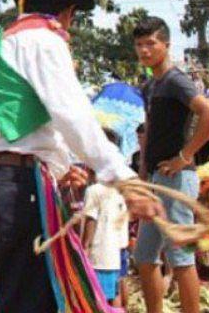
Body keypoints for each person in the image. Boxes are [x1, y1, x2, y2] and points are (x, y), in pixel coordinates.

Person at [0, 0, 159, 313]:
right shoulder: (43, 42)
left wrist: (60, 165)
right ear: (66, 11)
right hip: (20, 185)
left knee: (13, 291)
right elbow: (72, 114)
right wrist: (124, 179)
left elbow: (14, 125)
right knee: (31, 299)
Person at [133, 16, 209, 313]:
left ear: (166, 45)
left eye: (151, 44)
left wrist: (184, 157)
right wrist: (143, 172)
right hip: (156, 179)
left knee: (181, 259)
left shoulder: (176, 80)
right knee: (144, 258)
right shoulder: (151, 86)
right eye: (139, 45)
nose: (144, 50)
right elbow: (149, 129)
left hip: (177, 179)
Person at [82, 129, 130, 309]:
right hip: (115, 253)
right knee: (114, 294)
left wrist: (85, 246)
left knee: (96, 297)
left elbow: (90, 220)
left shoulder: (94, 190)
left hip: (98, 255)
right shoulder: (121, 189)